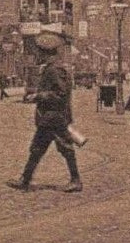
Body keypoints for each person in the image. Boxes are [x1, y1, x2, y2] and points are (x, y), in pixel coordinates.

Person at [7, 32, 82, 193]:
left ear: (46, 53)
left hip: (55, 117)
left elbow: (60, 94)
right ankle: (25, 179)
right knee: (37, 149)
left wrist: (38, 95)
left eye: (39, 52)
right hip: (49, 118)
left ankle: (76, 180)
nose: (37, 55)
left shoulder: (55, 69)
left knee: (65, 148)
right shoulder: (52, 68)